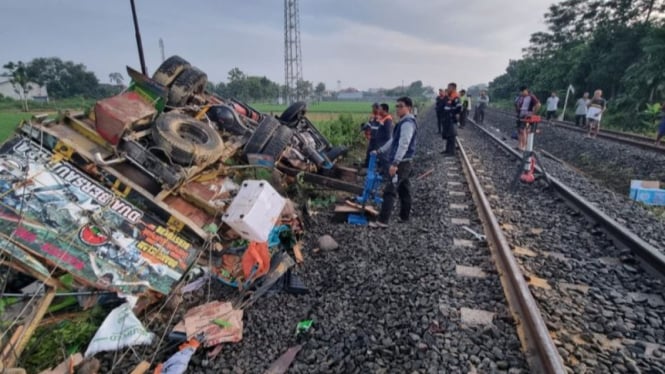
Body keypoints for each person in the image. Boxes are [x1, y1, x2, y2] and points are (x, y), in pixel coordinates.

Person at [370, 96, 417, 228]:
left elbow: (404, 144)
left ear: (409, 108)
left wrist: (395, 163)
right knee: (404, 189)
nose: (398, 109)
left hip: (401, 162)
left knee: (390, 190)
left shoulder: (407, 123)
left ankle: (382, 221)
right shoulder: (403, 122)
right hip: (405, 162)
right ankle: (404, 216)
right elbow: (393, 141)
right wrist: (379, 151)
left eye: (401, 106)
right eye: (397, 106)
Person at [514, 85, 541, 151]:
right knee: (519, 131)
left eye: (522, 92)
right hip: (520, 115)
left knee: (523, 131)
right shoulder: (520, 97)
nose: (521, 93)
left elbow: (538, 104)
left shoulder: (531, 97)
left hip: (526, 116)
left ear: (526, 90)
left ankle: (524, 146)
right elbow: (516, 104)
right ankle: (519, 145)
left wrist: (533, 113)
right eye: (520, 92)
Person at [440, 83, 462, 156]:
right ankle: (447, 150)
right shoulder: (449, 96)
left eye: (449, 88)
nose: (447, 89)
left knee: (451, 135)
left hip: (451, 118)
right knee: (448, 135)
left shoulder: (456, 97)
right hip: (447, 118)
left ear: (453, 88)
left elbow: (459, 107)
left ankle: (452, 152)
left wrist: (453, 114)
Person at [361, 103, 382, 167]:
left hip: (378, 138)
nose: (372, 109)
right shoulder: (373, 117)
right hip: (372, 138)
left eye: (373, 108)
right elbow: (369, 124)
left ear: (377, 108)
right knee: (369, 151)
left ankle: (376, 166)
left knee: (376, 152)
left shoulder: (381, 117)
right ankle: (367, 164)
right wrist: (364, 127)